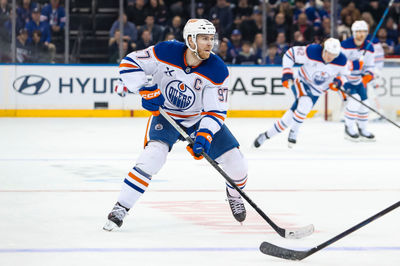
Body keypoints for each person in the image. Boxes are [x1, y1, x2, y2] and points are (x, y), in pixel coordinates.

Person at [104, 19, 249, 231]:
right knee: (152, 157)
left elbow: (215, 111)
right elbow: (129, 63)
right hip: (166, 116)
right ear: (190, 40)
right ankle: (121, 207)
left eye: (211, 39)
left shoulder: (217, 69)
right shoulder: (166, 51)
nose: (210, 44)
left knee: (238, 165)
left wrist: (204, 135)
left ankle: (234, 195)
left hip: (199, 118)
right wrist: (145, 89)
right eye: (204, 39)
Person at [253, 38, 349, 148]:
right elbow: (290, 54)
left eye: (334, 55)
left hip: (316, 91)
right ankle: (294, 132)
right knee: (305, 103)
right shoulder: (312, 51)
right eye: (329, 53)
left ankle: (265, 135)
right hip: (301, 81)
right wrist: (287, 73)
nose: (330, 57)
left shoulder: (341, 60)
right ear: (324, 49)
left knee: (287, 120)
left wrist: (338, 82)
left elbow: (345, 75)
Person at [340, 20, 375, 141]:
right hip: (345, 79)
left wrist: (367, 77)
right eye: (358, 32)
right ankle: (348, 128)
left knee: (365, 104)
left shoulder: (369, 47)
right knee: (355, 101)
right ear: (354, 33)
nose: (361, 34)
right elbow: (340, 64)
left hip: (358, 81)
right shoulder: (344, 45)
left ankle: (362, 128)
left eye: (363, 32)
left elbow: (370, 68)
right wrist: (354, 64)